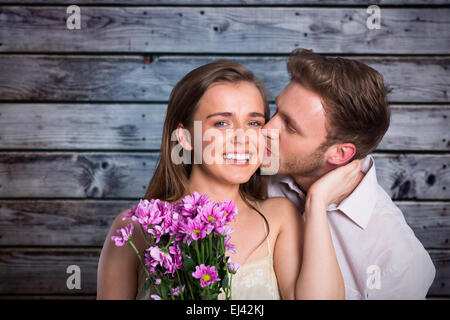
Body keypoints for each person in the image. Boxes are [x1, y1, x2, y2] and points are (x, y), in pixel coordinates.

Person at [97, 60, 362, 300]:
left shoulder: (279, 217)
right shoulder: (134, 228)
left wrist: (316, 202)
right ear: (185, 138)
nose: (243, 138)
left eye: (255, 123)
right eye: (222, 124)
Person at [264, 48, 436, 299]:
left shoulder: (398, 261)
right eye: (276, 110)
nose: (266, 129)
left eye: (290, 126)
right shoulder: (255, 170)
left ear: (340, 154)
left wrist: (316, 201)